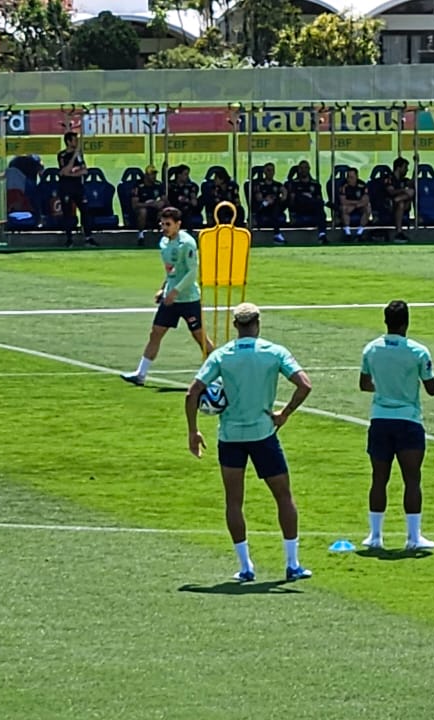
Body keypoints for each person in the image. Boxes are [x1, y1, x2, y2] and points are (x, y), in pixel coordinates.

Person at [185, 303, 314, 583]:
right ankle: (292, 564)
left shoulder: (221, 355)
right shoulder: (274, 352)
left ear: (235, 326)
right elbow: (305, 384)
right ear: (258, 323)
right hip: (263, 435)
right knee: (283, 496)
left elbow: (192, 393)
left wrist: (193, 431)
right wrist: (284, 414)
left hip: (230, 437)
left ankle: (245, 568)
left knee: (234, 501)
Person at [359, 300, 434, 551]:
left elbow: (364, 384)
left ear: (386, 321)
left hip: (380, 420)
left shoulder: (371, 350)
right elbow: (432, 388)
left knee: (379, 478)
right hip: (408, 421)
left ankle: (375, 536)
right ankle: (413, 538)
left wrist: (383, 387)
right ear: (406, 322)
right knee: (412, 479)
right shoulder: (418, 351)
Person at [121, 207, 215, 386]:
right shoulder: (164, 242)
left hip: (188, 299)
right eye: (162, 224)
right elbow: (172, 270)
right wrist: (163, 288)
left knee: (200, 337)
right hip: (170, 298)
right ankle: (140, 374)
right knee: (155, 333)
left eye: (168, 224)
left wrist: (175, 291)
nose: (164, 227)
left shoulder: (187, 243)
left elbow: (191, 272)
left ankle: (221, 373)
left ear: (178, 224)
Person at [57, 131, 95, 247]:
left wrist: (72, 174)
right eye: (74, 140)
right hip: (66, 188)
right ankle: (69, 239)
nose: (77, 142)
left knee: (85, 210)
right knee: (67, 213)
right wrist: (73, 157)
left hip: (78, 187)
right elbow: (64, 171)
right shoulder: (62, 155)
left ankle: (88, 238)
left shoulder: (79, 155)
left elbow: (84, 170)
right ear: (68, 142)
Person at [285, 160, 326, 243]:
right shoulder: (293, 184)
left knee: (319, 205)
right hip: (299, 208)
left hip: (312, 209)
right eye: (301, 168)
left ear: (309, 169)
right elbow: (291, 201)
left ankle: (322, 235)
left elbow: (319, 199)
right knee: (301, 198)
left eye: (306, 168)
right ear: (298, 169)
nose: (303, 170)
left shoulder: (315, 184)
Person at [252, 161, 288, 245]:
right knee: (272, 204)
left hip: (275, 208)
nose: (270, 172)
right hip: (263, 208)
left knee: (276, 204)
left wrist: (283, 196)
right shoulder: (259, 185)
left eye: (272, 170)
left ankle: (277, 235)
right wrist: (266, 200)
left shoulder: (277, 184)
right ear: (264, 172)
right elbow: (258, 198)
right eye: (268, 170)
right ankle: (277, 234)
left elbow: (284, 192)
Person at [132, 164, 167, 246]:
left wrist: (161, 203)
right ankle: (141, 235)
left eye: (155, 174)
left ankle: (165, 234)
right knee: (143, 212)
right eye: (152, 174)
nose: (154, 176)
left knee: (166, 211)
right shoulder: (138, 186)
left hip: (156, 209)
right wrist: (148, 204)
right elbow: (135, 204)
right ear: (146, 175)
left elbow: (165, 200)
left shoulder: (158, 185)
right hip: (143, 209)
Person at [383, 157, 415, 244]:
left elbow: (412, 183)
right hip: (388, 206)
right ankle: (399, 232)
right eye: (405, 168)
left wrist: (416, 165)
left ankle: (397, 200)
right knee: (401, 202)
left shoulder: (404, 180)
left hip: (401, 205)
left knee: (410, 193)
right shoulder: (389, 178)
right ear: (398, 168)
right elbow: (391, 191)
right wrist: (403, 190)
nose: (407, 170)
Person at [340, 166, 370, 240]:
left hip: (358, 207)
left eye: (351, 177)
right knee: (343, 208)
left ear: (357, 176)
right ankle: (348, 234)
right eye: (348, 177)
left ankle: (359, 233)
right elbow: (343, 201)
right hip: (348, 207)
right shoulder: (344, 186)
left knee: (368, 208)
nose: (349, 179)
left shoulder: (362, 185)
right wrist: (357, 203)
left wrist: (355, 206)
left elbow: (366, 200)